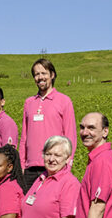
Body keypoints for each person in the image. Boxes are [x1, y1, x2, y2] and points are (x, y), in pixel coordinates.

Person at [20, 58, 76, 189]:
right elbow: (24, 137)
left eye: (43, 73)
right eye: (36, 74)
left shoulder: (64, 101)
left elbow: (70, 135)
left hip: (54, 166)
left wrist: (68, 164)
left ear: (52, 75)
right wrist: (22, 166)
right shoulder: (29, 103)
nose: (40, 77)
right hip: (30, 168)